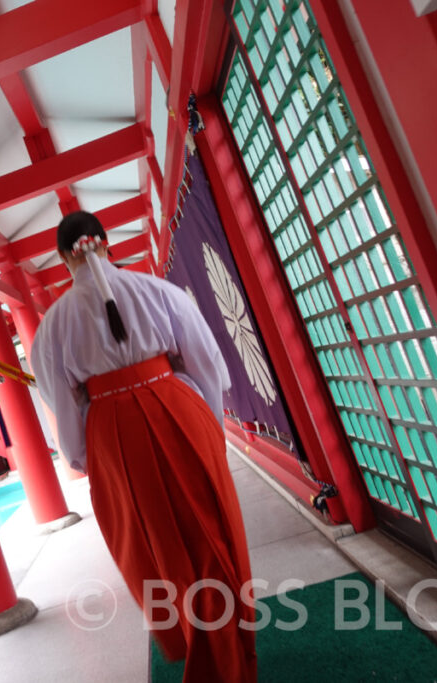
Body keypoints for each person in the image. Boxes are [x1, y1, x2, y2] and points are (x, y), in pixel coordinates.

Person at [30, 211, 256, 682]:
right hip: (177, 408)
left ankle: (194, 638)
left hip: (113, 434)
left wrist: (85, 455)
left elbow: (61, 400)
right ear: (106, 244)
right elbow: (204, 360)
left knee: (153, 542)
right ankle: (229, 639)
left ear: (61, 258)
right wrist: (207, 421)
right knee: (208, 526)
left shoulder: (53, 325)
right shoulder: (159, 291)